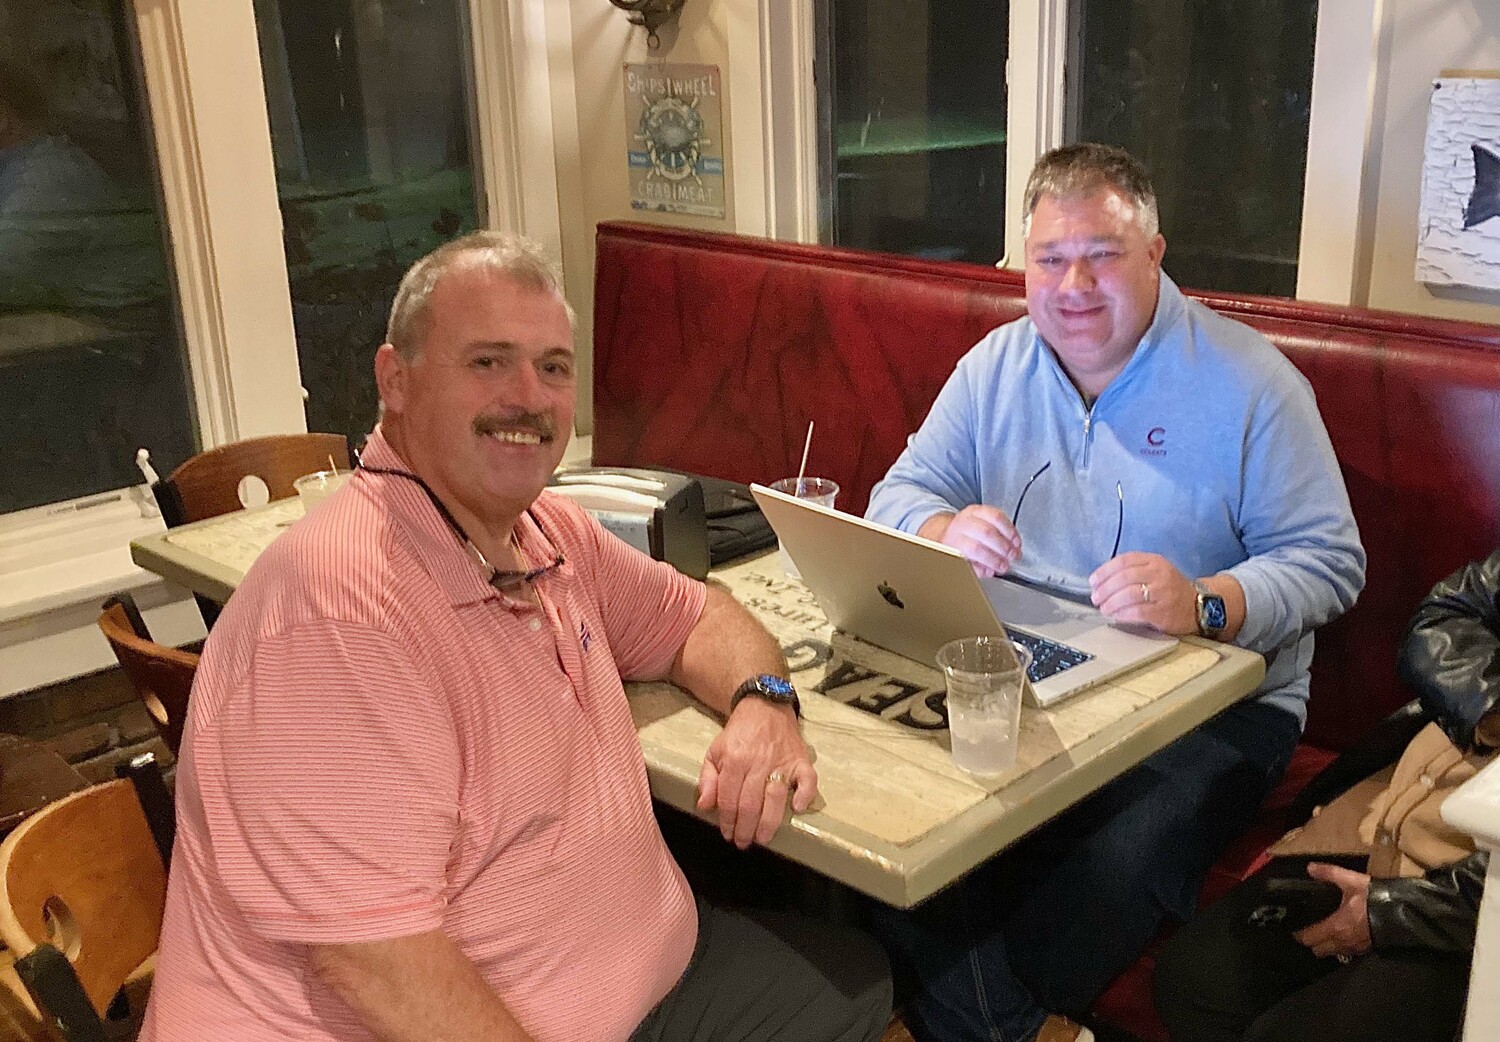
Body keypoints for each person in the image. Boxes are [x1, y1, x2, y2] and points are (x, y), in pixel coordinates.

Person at [142, 231, 891, 1042]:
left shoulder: (545, 532)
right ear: (396, 380)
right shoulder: (338, 618)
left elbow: (699, 616)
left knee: (858, 978)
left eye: (554, 368)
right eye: (488, 362)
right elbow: (379, 969)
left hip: (636, 973)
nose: (529, 397)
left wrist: (765, 702)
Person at [864, 143, 1366, 1042]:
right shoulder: (994, 367)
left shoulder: (1254, 384)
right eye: (1050, 260)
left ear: (1155, 254)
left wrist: (1207, 601)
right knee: (882, 810)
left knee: (1092, 890)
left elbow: (1330, 561)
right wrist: (941, 529)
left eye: (1103, 255)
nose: (1075, 286)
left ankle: (983, 1011)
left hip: (1213, 702)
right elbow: (896, 496)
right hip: (1026, 664)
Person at [1153, 549, 1499, 1042]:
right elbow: (1444, 614)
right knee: (1195, 981)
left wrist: (1396, 911)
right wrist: (1490, 710)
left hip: (1471, 896)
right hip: (1396, 806)